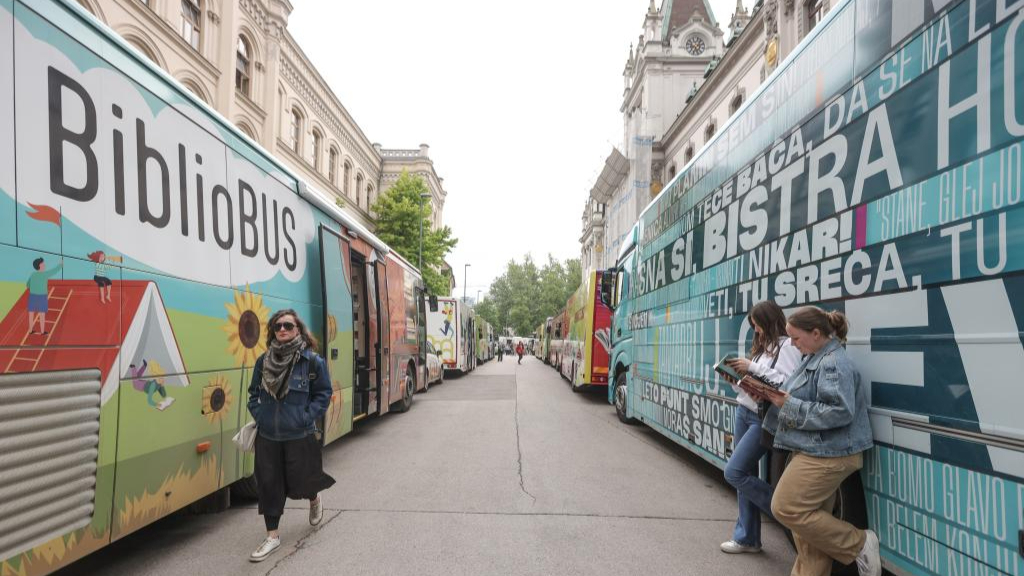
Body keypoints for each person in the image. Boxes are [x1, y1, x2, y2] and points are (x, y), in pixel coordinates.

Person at [755, 306, 880, 576]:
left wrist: (788, 404)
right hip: (816, 448)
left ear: (815, 333)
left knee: (785, 506)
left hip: (829, 453)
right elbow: (805, 398)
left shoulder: (833, 362)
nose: (791, 343)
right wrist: (771, 396)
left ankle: (858, 542)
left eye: (796, 338)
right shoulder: (814, 356)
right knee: (809, 541)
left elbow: (838, 411)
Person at [247, 309, 336, 563]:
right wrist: (261, 416)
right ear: (273, 331)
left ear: (298, 329)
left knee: (303, 480)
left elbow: (323, 393)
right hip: (269, 435)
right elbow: (253, 393)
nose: (282, 330)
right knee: (269, 485)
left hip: (300, 433)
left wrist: (305, 417)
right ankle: (272, 536)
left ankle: (314, 497)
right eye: (277, 326)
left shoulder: (311, 362)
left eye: (288, 325)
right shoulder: (263, 361)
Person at [719, 301, 801, 555]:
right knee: (745, 474)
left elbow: (785, 382)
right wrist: (735, 380)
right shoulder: (761, 347)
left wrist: (751, 366)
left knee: (734, 472)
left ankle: (791, 514)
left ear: (767, 320)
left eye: (757, 325)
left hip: (762, 418)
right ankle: (747, 537)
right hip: (744, 411)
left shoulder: (787, 345)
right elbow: (753, 384)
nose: (755, 330)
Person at [25, 257, 62, 335]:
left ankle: (30, 330)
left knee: (31, 313)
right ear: (40, 265)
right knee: (42, 314)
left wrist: (34, 287)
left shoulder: (33, 274)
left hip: (32, 296)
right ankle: (42, 331)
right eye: (43, 263)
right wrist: (61, 264)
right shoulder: (45, 274)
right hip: (42, 297)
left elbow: (28, 285)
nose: (44, 265)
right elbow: (54, 271)